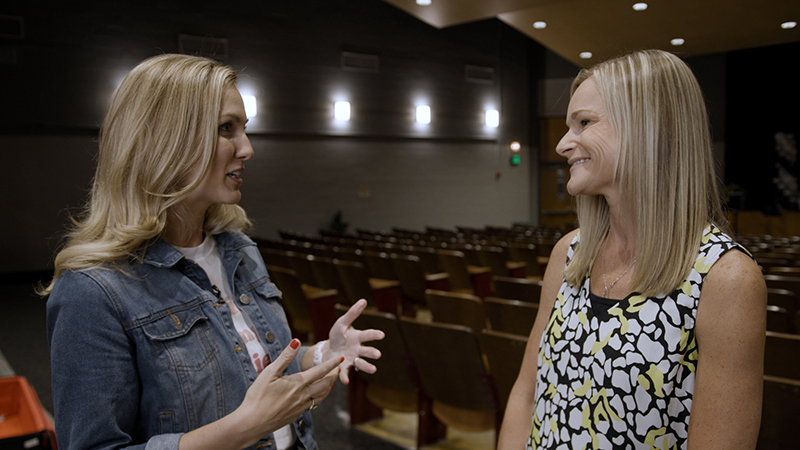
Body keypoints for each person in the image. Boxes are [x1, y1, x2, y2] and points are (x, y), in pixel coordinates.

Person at [41, 53, 385, 450]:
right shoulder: (93, 292)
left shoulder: (238, 249)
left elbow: (251, 361)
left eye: (244, 129)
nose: (247, 149)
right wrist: (245, 428)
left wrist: (324, 353)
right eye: (227, 129)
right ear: (164, 140)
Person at [497, 49, 766, 450]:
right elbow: (526, 392)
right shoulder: (569, 254)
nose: (562, 145)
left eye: (584, 123)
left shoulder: (725, 278)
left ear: (648, 128)